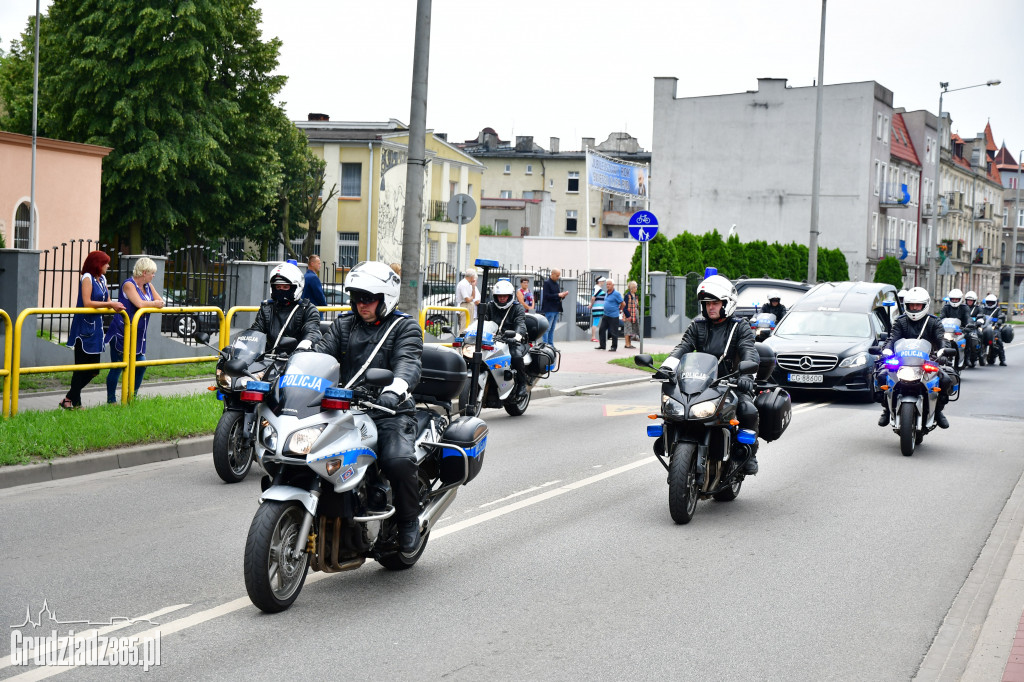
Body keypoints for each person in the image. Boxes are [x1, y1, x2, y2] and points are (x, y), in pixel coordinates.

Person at [312, 261, 424, 554]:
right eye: (357, 297)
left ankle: (408, 520)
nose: (362, 304)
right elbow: (320, 354)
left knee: (397, 460)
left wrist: (395, 390)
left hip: (387, 410)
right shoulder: (344, 325)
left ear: (385, 299)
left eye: (369, 298)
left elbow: (408, 362)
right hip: (344, 408)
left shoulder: (404, 327)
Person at [658, 274, 761, 475]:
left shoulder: (740, 327)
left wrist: (746, 377)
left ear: (727, 303)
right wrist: (667, 367)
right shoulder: (698, 326)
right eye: (707, 303)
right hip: (700, 383)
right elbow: (683, 347)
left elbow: (749, 351)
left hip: (730, 382)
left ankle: (749, 452)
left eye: (715, 303)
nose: (710, 307)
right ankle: (672, 444)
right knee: (673, 407)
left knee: (748, 409)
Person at [877, 287, 955, 428]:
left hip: (928, 360)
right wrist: (886, 351)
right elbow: (892, 338)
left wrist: (942, 350)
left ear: (925, 305)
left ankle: (938, 411)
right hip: (902, 361)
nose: (914, 309)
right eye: (911, 305)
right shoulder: (900, 321)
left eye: (917, 305)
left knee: (946, 380)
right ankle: (887, 410)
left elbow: (941, 338)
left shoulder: (934, 322)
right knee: (881, 375)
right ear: (906, 306)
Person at [61, 251, 126, 409]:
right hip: (83, 328)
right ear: (98, 264)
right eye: (106, 263)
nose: (108, 266)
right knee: (81, 368)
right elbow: (87, 302)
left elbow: (108, 300)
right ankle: (74, 402)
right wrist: (110, 305)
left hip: (96, 328)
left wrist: (114, 305)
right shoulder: (87, 278)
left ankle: (69, 399)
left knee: (94, 370)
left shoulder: (102, 279)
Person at [104, 257, 164, 404]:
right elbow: (140, 303)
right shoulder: (128, 284)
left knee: (141, 365)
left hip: (138, 335)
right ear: (144, 272)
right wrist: (154, 303)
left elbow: (161, 302)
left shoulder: (148, 286)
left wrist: (155, 303)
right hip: (122, 332)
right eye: (152, 273)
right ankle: (111, 400)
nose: (154, 276)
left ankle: (132, 397)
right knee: (118, 367)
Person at [248, 262, 322, 353]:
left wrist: (301, 349)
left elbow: (312, 333)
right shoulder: (267, 308)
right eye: (278, 287)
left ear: (296, 287)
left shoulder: (307, 309)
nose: (281, 290)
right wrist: (239, 348)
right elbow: (255, 332)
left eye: (285, 287)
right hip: (268, 360)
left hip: (296, 361)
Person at [484, 279, 529, 400]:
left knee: (516, 356)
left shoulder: (517, 308)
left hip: (510, 340)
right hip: (492, 339)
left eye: (504, 296)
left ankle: (522, 384)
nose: (502, 298)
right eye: (499, 296)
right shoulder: (490, 306)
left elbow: (521, 325)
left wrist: (516, 337)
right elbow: (482, 322)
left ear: (510, 296)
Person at [540, 269, 568, 346]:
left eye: (559, 275)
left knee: (552, 329)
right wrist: (558, 295)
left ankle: (551, 345)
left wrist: (562, 296)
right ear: (552, 274)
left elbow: (557, 295)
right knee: (547, 328)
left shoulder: (556, 284)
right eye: (557, 275)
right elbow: (546, 296)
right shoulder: (547, 283)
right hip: (549, 309)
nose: (558, 277)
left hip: (556, 308)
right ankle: (545, 345)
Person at [596, 279, 624, 351]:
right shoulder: (607, 293)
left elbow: (623, 303)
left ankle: (614, 347)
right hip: (606, 315)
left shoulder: (616, 294)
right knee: (601, 329)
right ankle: (602, 346)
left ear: (613, 285)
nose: (608, 286)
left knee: (613, 332)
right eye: (607, 284)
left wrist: (620, 309)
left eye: (609, 284)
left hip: (613, 316)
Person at [981, 293, 1007, 366]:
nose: (989, 304)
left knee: (999, 341)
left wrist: (999, 321)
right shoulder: (982, 309)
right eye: (988, 302)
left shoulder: (997, 310)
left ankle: (1002, 360)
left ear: (995, 303)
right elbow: (979, 315)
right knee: (976, 337)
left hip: (994, 327)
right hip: (984, 327)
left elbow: (1000, 316)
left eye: (991, 302)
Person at [455, 267, 481, 332]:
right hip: (464, 305)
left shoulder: (469, 284)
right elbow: (467, 299)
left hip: (468, 305)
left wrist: (473, 287)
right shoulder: (463, 284)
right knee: (464, 328)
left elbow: (473, 297)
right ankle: (461, 341)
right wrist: (472, 297)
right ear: (472, 276)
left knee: (468, 327)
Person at [622, 281, 639, 349]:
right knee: (627, 329)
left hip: (634, 315)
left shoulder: (635, 296)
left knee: (631, 330)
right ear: (631, 288)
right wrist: (628, 316)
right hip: (628, 315)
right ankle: (627, 344)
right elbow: (624, 307)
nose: (636, 288)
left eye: (636, 287)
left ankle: (630, 343)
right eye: (635, 287)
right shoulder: (627, 296)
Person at [590, 277, 607, 342]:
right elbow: (593, 297)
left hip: (597, 307)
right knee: (596, 322)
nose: (603, 282)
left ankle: (593, 337)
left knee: (596, 321)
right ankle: (593, 337)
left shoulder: (596, 288)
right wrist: (591, 304)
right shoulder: (598, 289)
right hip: (598, 307)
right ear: (599, 281)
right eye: (603, 281)